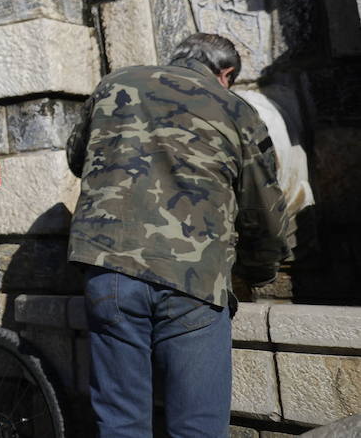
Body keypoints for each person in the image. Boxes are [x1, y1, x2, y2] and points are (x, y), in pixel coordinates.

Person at [67, 32, 292, 437]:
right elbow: (264, 207)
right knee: (197, 429)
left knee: (120, 426)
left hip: (109, 270)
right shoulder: (234, 109)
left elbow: (77, 157)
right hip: (193, 279)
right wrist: (260, 270)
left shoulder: (115, 84)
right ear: (224, 73)